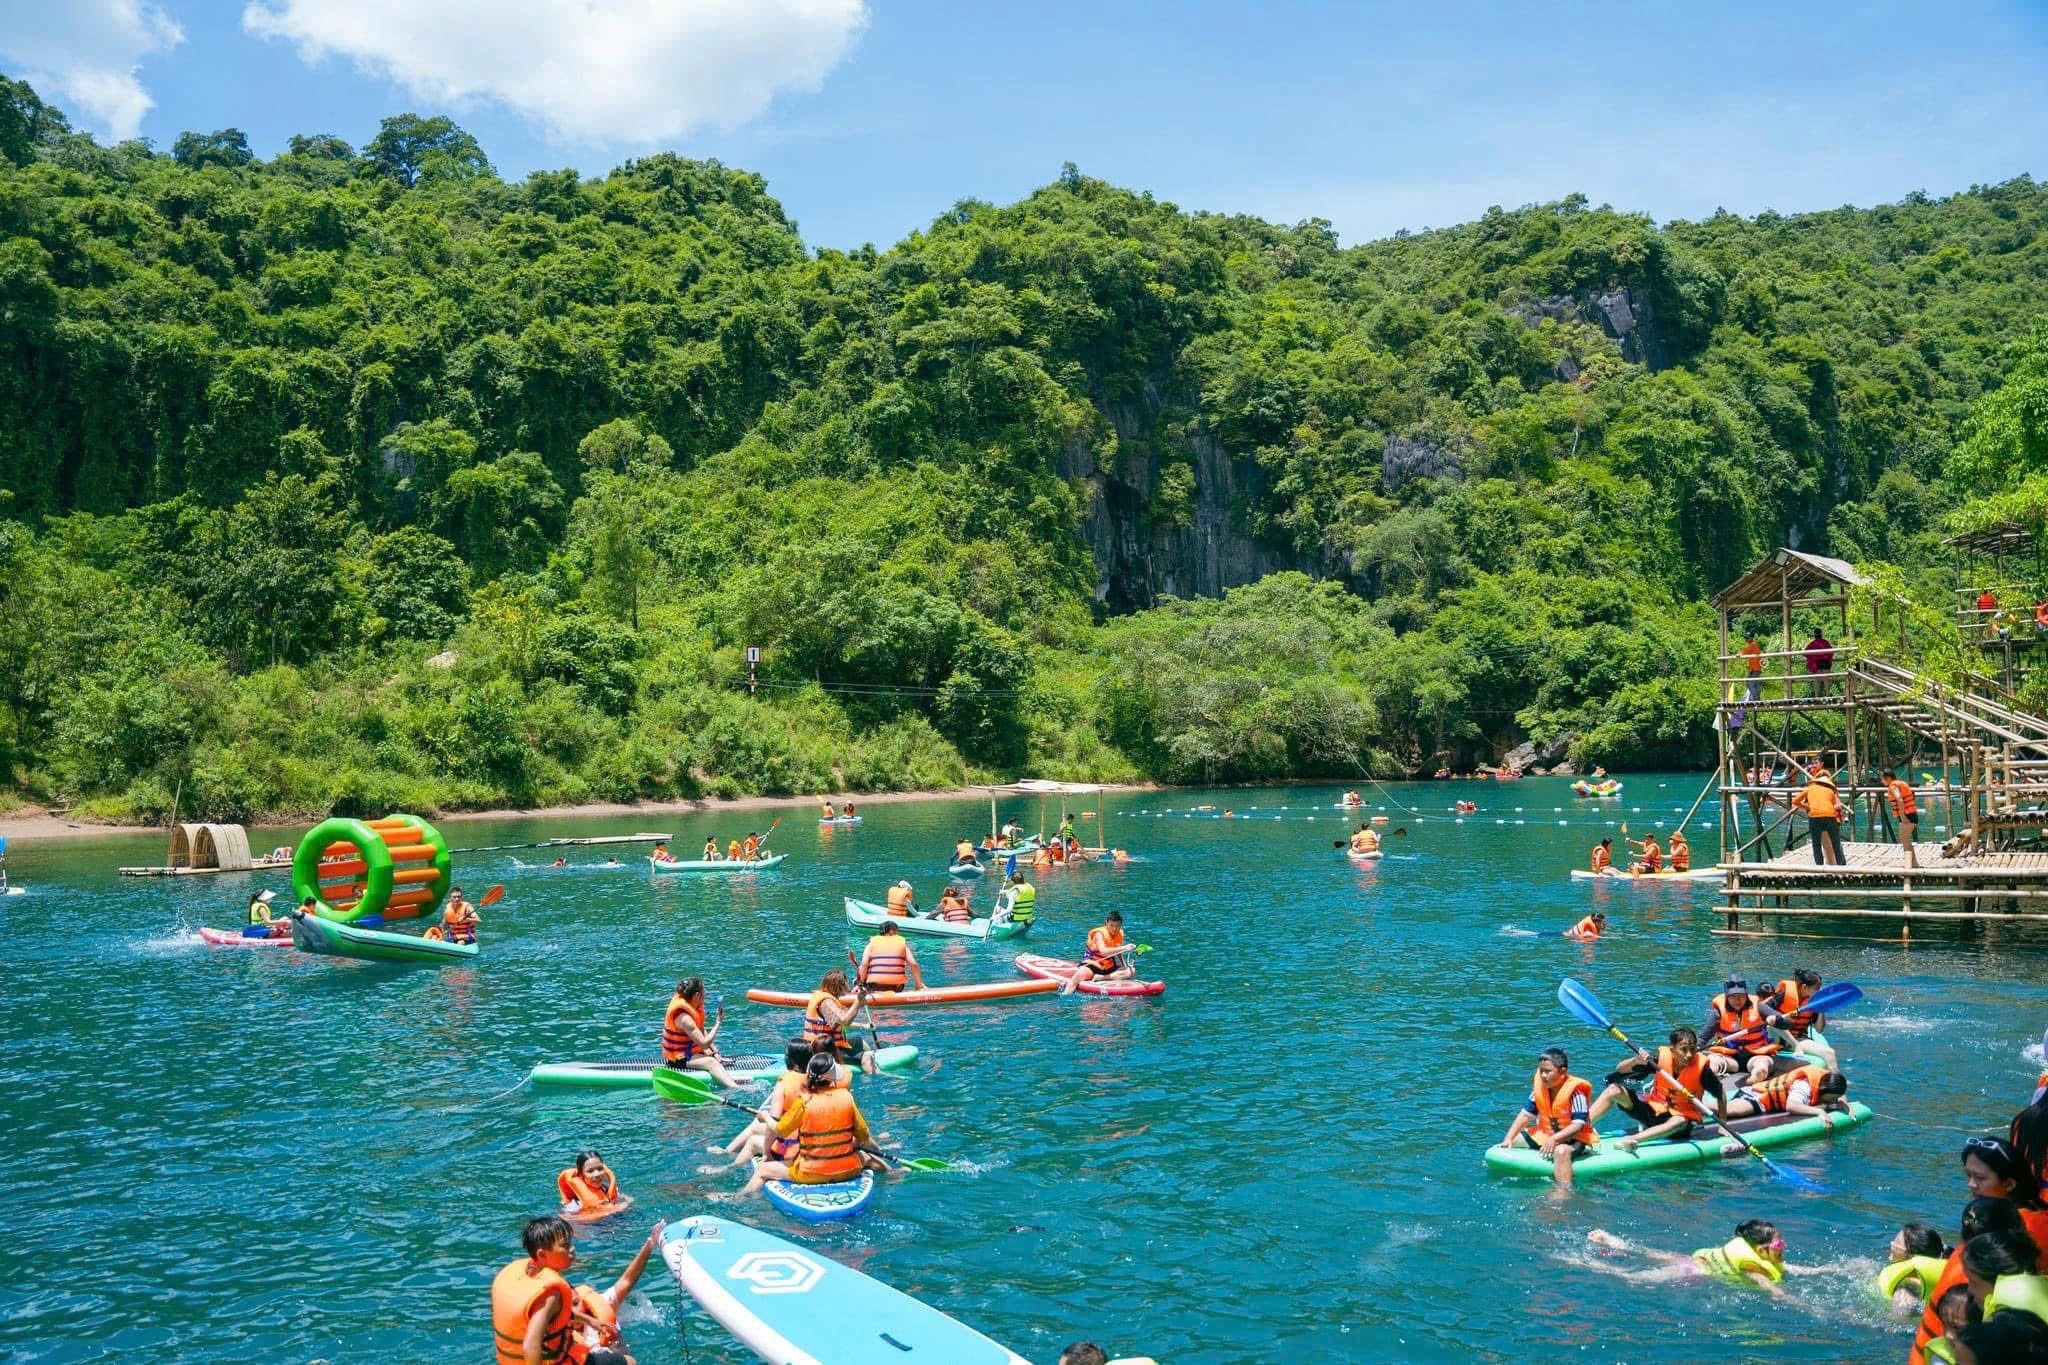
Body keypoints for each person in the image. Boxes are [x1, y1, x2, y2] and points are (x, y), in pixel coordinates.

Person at [741, 1051, 891, 1195]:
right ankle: (893, 1174)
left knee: (762, 1170)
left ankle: (739, 1197)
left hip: (810, 1174)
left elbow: (781, 1130)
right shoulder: (847, 1097)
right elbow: (863, 1135)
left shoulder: (804, 1101)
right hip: (848, 1171)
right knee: (868, 1158)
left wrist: (766, 1117)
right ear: (832, 1077)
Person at [1912, 1200, 2039, 1365]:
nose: (1970, 1290)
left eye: (1973, 1282)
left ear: (1995, 1278)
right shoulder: (2028, 1283)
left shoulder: (2007, 1312)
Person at [1584, 1026, 1728, 1148]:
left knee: (1681, 1120)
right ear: (1672, 1050)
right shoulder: (1659, 1060)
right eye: (1683, 1050)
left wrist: (1722, 1126)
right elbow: (1620, 1069)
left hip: (1679, 1123)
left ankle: (1632, 1140)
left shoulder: (1702, 1070)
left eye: (1692, 1049)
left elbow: (1721, 1094)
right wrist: (1635, 1061)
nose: (1689, 1055)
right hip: (1652, 1111)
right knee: (1613, 1090)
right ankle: (1582, 1127)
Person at [1584, 1220, 1788, 1293]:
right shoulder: (1751, 1267)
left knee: (1649, 1253)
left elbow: (1788, 1268)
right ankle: (1588, 1263)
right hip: (1690, 1271)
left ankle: (1614, 1242)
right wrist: (1788, 1297)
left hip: (1692, 1260)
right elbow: (1769, 1287)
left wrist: (1809, 1270)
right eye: (1779, 1244)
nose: (1783, 1246)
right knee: (1634, 1277)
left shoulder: (1757, 1257)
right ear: (1760, 1250)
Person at [565, 1218, 665, 1365]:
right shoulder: (558, 1336)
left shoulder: (602, 1304)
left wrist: (649, 1245)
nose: (576, 1311)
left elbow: (627, 1281)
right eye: (568, 1308)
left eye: (576, 1303)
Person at [1497, 1047, 1598, 1186]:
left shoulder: (1576, 1093)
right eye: (1541, 1071)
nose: (1543, 1076)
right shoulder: (1540, 1089)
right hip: (1546, 1135)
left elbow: (1578, 1125)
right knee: (1509, 1143)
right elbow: (1525, 1115)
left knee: (1561, 1151)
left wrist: (1554, 1139)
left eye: (1548, 1071)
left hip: (1574, 1139)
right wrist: (1508, 1138)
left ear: (1562, 1072)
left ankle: (1563, 1190)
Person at [491, 1215, 576, 1365]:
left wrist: (590, 1321)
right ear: (542, 1254)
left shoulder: (527, 1275)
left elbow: (548, 1315)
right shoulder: (551, 1294)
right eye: (565, 1245)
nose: (572, 1249)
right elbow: (530, 1345)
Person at [1700, 978, 1780, 1085]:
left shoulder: (1758, 1007)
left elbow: (1786, 1023)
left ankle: (1757, 1076)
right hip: (1730, 1059)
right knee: (1712, 1061)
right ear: (1727, 997)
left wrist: (1776, 1020)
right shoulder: (1718, 1012)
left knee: (1763, 1064)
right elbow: (1703, 1038)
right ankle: (1709, 1076)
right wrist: (1694, 1049)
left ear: (1746, 995)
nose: (1737, 1000)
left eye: (1741, 996)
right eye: (1733, 997)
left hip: (1756, 1056)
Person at [661, 977, 737, 1088]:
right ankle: (735, 1088)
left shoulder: (693, 1007)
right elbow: (704, 1043)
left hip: (689, 1053)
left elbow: (700, 1030)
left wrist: (715, 1052)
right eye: (704, 992)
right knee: (711, 1063)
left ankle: (728, 1079)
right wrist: (718, 1022)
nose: (706, 994)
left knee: (712, 1057)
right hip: (678, 1059)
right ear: (697, 995)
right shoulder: (684, 1018)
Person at [803, 969, 876, 1075]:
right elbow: (845, 1021)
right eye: (845, 983)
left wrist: (863, 1025)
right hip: (822, 1051)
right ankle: (873, 1075)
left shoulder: (826, 999)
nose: (847, 986)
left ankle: (874, 1059)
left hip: (828, 1044)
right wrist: (858, 1001)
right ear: (838, 986)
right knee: (866, 1057)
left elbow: (838, 1023)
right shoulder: (826, 1002)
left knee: (859, 1041)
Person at [1759, 968, 1836, 1066]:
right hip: (1776, 1037)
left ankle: (1834, 1074)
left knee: (1830, 1053)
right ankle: (1794, 1046)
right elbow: (1764, 1015)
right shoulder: (1783, 994)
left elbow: (1819, 1029)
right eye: (1816, 988)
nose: (1819, 991)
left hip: (1799, 1039)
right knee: (1773, 1022)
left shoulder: (1813, 1002)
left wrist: (1821, 1009)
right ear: (1804, 987)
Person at [1722, 1063, 1848, 1122]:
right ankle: (1708, 1108)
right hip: (1757, 1097)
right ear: (1824, 1089)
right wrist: (1819, 1111)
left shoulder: (1826, 1082)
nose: (1834, 1101)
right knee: (1731, 1111)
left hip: (1761, 1098)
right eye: (1833, 1098)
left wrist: (1843, 1101)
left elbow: (1840, 1092)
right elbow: (1791, 1106)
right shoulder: (1804, 1087)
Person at [1882, 1223, 1953, 1313]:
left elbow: (1900, 1317)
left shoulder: (1908, 1286)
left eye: (1897, 1241)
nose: (1892, 1244)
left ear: (1912, 1255)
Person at [1063, 911, 1134, 993]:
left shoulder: (1120, 934)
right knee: (1077, 977)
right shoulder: (1099, 934)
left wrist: (1124, 965)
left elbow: (1118, 952)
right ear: (1106, 923)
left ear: (1121, 925)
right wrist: (1124, 947)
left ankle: (1102, 977)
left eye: (1117, 926)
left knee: (1131, 971)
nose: (1114, 929)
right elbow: (1103, 951)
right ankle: (1065, 995)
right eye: (1111, 925)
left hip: (1108, 966)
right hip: (1093, 964)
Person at [556, 1150, 631, 1220]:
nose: (597, 1174)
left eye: (600, 1169)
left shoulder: (606, 1188)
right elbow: (568, 1219)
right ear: (581, 1174)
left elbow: (628, 1199)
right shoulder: (574, 1203)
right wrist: (611, 1210)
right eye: (590, 1171)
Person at [1792, 767, 1846, 866]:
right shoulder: (1831, 790)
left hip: (1814, 817)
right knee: (1836, 843)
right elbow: (1838, 805)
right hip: (1830, 816)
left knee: (1816, 844)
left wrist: (1808, 806)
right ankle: (1841, 866)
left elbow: (1795, 801)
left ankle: (1819, 866)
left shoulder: (1809, 788)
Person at [857, 920, 926, 993]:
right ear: (892, 931)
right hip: (896, 988)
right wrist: (919, 985)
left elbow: (864, 964)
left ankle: (860, 988)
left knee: (863, 970)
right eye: (897, 931)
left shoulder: (871, 944)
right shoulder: (903, 944)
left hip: (875, 987)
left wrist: (860, 983)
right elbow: (913, 964)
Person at [1886, 766, 1921, 868]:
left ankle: (1908, 865)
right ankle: (1914, 864)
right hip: (1911, 815)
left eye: (1882, 778)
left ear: (1888, 778)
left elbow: (1899, 799)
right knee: (1906, 840)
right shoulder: (1901, 783)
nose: (1881, 781)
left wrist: (1902, 816)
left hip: (1907, 815)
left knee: (1904, 841)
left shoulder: (1893, 786)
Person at [1741, 632, 1765, 703]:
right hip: (1755, 668)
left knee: (1749, 684)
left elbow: (1745, 652)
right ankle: (1757, 699)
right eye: (1745, 638)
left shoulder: (1752, 644)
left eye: (1747, 638)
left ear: (1751, 638)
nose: (1746, 639)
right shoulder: (1754, 644)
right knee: (1756, 684)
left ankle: (1756, 699)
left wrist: (1740, 654)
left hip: (1755, 669)